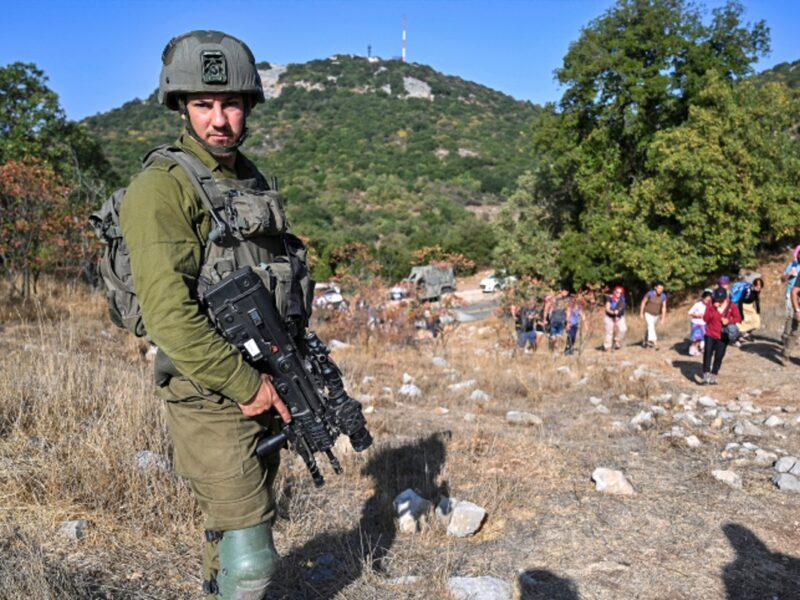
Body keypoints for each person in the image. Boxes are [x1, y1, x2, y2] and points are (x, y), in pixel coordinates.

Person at [120, 31, 301, 599]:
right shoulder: (161, 188)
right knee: (251, 561)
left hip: (266, 378)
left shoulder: (248, 181)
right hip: (210, 390)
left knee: (235, 533)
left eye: (230, 104)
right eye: (203, 104)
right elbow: (168, 314)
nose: (219, 119)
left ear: (248, 106)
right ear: (182, 106)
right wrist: (245, 384)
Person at [697, 287, 741, 385]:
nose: (719, 301)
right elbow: (705, 319)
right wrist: (713, 308)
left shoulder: (732, 306)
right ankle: (706, 375)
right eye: (717, 299)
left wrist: (729, 321)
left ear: (726, 298)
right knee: (707, 353)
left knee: (719, 356)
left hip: (723, 335)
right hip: (710, 333)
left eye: (722, 299)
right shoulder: (710, 304)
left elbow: (738, 318)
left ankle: (714, 375)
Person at [780, 246, 800, 363]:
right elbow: (783, 279)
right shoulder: (793, 265)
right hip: (792, 295)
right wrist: (789, 274)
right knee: (791, 321)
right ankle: (786, 345)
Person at [639, 282, 667, 349]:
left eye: (662, 288)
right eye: (659, 288)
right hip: (648, 313)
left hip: (656, 315)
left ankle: (646, 341)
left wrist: (663, 318)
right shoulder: (650, 294)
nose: (660, 290)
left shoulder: (663, 296)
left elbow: (664, 307)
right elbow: (643, 302)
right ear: (655, 288)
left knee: (650, 328)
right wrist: (641, 313)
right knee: (651, 326)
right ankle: (655, 343)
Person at [734, 278, 763, 342]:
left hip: (750, 306)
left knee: (757, 321)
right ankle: (738, 337)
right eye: (757, 285)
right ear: (754, 284)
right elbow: (740, 302)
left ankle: (746, 334)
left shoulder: (757, 291)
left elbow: (756, 300)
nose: (758, 287)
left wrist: (758, 310)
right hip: (742, 306)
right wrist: (741, 314)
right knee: (742, 322)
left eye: (760, 285)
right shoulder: (747, 290)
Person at [687, 289, 712, 356]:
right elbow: (689, 312)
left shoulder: (710, 306)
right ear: (703, 298)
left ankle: (702, 349)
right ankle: (693, 350)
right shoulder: (697, 304)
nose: (707, 301)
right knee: (696, 338)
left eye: (709, 300)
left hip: (704, 324)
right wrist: (697, 315)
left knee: (703, 338)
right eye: (706, 299)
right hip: (696, 323)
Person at [603, 286, 627, 351]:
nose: (618, 294)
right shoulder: (610, 298)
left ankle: (617, 341)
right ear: (614, 291)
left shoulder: (622, 299)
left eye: (620, 293)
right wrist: (613, 312)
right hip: (609, 317)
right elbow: (607, 308)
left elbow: (622, 308)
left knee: (623, 329)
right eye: (617, 292)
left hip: (619, 317)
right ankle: (607, 347)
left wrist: (618, 312)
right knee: (609, 332)